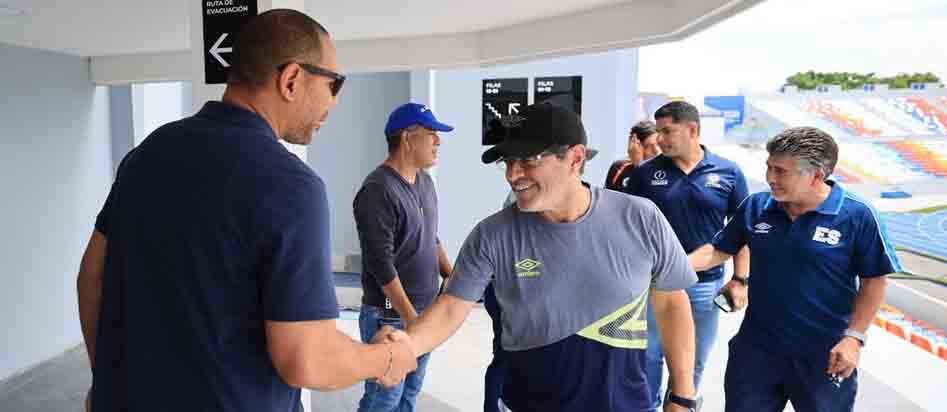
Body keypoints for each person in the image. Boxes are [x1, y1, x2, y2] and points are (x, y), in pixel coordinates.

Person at [75, 10, 416, 412]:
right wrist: (387, 358)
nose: (334, 101)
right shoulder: (291, 186)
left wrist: (109, 383)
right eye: (333, 84)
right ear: (291, 79)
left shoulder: (147, 155)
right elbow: (308, 358)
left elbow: (91, 277)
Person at [391, 103, 702, 411]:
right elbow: (449, 310)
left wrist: (682, 394)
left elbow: (671, 303)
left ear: (575, 158)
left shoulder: (640, 218)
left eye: (528, 159)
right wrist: (400, 349)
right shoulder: (492, 234)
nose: (513, 174)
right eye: (508, 160)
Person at [689, 126, 900, 412]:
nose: (770, 178)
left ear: (816, 175)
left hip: (824, 356)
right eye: (769, 167)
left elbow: (875, 280)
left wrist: (854, 338)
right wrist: (668, 267)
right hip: (757, 352)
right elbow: (718, 250)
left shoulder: (858, 215)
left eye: (781, 171)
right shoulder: (757, 206)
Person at [622, 100, 750, 411]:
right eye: (658, 131)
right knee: (650, 357)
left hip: (705, 285)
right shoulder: (644, 175)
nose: (660, 139)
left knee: (692, 361)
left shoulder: (729, 172)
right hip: (655, 285)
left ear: (692, 129)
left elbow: (742, 232)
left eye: (668, 131)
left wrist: (740, 278)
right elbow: (625, 229)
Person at [353, 103, 455, 412]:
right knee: (384, 399)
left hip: (423, 311)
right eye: (432, 134)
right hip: (391, 315)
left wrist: (451, 275)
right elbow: (380, 265)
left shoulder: (425, 182)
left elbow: (429, 236)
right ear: (407, 138)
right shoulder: (377, 190)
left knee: (410, 394)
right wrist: (412, 319)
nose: (438, 142)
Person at [605, 120, 661, 191]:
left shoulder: (669, 168)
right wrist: (638, 165)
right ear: (636, 147)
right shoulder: (620, 168)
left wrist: (639, 165)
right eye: (649, 146)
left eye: (659, 144)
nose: (657, 151)